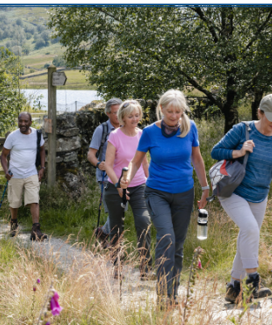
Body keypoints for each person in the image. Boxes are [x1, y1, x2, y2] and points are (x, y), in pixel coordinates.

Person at [211, 94, 272, 303]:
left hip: (259, 195)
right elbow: (216, 151)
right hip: (233, 191)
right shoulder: (243, 129)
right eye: (270, 118)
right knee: (250, 230)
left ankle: (233, 288)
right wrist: (239, 152)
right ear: (260, 113)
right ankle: (254, 282)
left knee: (248, 235)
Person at [122, 90, 209, 308]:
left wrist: (205, 186)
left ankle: (173, 293)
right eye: (169, 111)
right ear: (161, 109)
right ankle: (162, 294)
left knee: (178, 245)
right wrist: (127, 178)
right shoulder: (150, 132)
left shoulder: (190, 128)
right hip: (156, 192)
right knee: (166, 238)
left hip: (184, 193)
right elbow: (136, 161)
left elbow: (197, 160)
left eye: (178, 112)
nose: (173, 115)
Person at [103, 100, 151, 279]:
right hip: (115, 185)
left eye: (137, 115)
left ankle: (145, 267)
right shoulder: (115, 136)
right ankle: (117, 268)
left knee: (144, 221)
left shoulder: (142, 135)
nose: (134, 119)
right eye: (130, 116)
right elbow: (108, 165)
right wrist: (119, 186)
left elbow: (144, 161)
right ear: (122, 118)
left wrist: (151, 182)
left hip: (139, 185)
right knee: (116, 227)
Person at [0, 112, 47, 241]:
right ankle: (14, 224)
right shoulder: (12, 136)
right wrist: (6, 171)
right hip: (15, 174)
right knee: (14, 202)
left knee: (34, 200)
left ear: (30, 122)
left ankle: (36, 230)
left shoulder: (37, 135)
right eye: (20, 121)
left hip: (31, 172)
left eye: (26, 121)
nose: (23, 124)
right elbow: (3, 156)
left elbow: (42, 150)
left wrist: (42, 167)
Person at [87, 98, 122, 246]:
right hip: (105, 177)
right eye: (115, 112)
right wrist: (98, 164)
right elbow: (90, 154)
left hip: (123, 176)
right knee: (114, 211)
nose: (118, 115)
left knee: (120, 210)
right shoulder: (102, 130)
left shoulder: (127, 129)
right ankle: (114, 244)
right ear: (108, 113)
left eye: (120, 111)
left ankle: (103, 231)